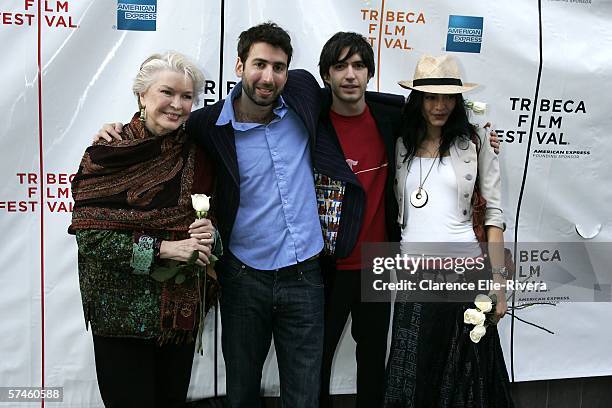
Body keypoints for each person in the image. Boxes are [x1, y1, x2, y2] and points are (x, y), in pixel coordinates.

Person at [185, 23, 327, 408]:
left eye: (278, 67)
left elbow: (360, 100)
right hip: (244, 278)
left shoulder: (302, 96)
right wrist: (118, 128)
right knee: (242, 392)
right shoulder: (208, 125)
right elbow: (161, 135)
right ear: (239, 65)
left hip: (305, 274)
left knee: (303, 396)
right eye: (259, 64)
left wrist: (460, 119)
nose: (268, 77)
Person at [69, 51, 219, 408]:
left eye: (187, 97)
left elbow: (218, 222)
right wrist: (166, 249)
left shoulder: (200, 154)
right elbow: (92, 236)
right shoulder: (108, 153)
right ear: (141, 94)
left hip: (178, 315)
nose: (178, 104)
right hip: (119, 313)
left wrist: (212, 237)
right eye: (167, 92)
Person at [383, 54, 513, 407]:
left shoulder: (476, 142)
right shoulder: (400, 141)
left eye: (447, 97)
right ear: (417, 100)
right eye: (429, 96)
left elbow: (494, 216)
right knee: (415, 378)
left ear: (458, 101)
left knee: (465, 385)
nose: (439, 106)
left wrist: (499, 285)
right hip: (415, 281)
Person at [315, 32, 403, 408]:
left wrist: (481, 137)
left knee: (372, 360)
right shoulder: (311, 120)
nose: (350, 75)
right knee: (315, 358)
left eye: (358, 66)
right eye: (340, 66)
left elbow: (441, 120)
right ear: (326, 75)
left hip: (378, 261)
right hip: (326, 264)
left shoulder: (391, 117)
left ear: (369, 73)